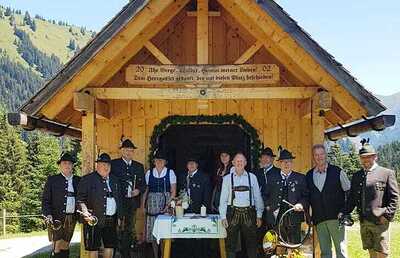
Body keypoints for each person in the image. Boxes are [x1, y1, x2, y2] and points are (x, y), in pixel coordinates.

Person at [345, 139, 399, 258]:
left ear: (375, 157)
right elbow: (352, 198)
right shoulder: (357, 176)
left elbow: (394, 197)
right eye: (363, 157)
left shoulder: (387, 173)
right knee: (371, 252)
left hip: (380, 220)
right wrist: (344, 212)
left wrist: (387, 216)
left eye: (368, 157)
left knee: (382, 253)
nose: (365, 160)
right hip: (364, 221)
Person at [306, 144, 350, 258]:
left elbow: (350, 193)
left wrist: (344, 211)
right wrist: (309, 216)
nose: (319, 157)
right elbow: (308, 198)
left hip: (336, 218)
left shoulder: (338, 172)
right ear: (313, 157)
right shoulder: (309, 175)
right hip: (319, 219)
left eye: (321, 154)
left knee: (341, 251)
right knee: (325, 252)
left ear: (325, 155)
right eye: (316, 155)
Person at [77, 153, 123, 258]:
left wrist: (120, 216)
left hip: (112, 219)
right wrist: (85, 212)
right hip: (93, 219)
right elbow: (80, 200)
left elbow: (119, 199)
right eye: (103, 164)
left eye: (108, 165)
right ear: (97, 166)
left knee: (110, 246)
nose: (106, 167)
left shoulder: (115, 180)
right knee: (93, 247)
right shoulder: (87, 179)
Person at [219, 153, 264, 258]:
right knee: (230, 244)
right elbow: (223, 200)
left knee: (252, 244)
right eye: (237, 161)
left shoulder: (252, 178)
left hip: (249, 213)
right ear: (233, 163)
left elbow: (258, 197)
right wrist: (223, 217)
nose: (239, 163)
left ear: (245, 163)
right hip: (232, 213)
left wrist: (259, 215)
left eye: (241, 161)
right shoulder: (226, 179)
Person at [263, 147, 308, 250]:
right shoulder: (272, 178)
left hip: (294, 218)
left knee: (294, 248)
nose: (286, 164)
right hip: (276, 219)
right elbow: (265, 195)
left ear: (292, 163)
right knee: (277, 248)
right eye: (284, 162)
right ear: (279, 163)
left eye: (289, 162)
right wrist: (268, 207)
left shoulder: (300, 178)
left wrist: (301, 204)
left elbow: (306, 196)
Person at [111, 139, 145, 257]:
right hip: (117, 202)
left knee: (129, 228)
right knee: (115, 226)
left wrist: (138, 190)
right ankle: (114, 251)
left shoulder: (139, 166)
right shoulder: (114, 164)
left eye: (131, 151)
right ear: (122, 151)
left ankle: (126, 253)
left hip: (132, 202)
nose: (128, 153)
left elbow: (144, 185)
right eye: (126, 150)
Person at [42, 153, 80, 258]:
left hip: (71, 217)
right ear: (60, 165)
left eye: (69, 163)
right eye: (64, 163)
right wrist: (48, 214)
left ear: (73, 166)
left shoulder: (78, 180)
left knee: (66, 244)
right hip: (56, 217)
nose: (67, 165)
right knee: (57, 244)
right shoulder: (52, 180)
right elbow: (45, 200)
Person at [144, 151, 177, 258]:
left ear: (165, 162)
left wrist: (168, 205)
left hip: (165, 202)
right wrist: (143, 205)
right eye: (157, 160)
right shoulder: (149, 173)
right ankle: (155, 255)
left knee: (164, 231)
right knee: (153, 231)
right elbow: (146, 190)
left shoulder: (170, 173)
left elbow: (173, 191)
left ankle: (164, 255)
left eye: (161, 160)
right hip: (152, 203)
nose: (159, 162)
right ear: (154, 162)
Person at [179, 157, 212, 258]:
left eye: (194, 163)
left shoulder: (204, 177)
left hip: (199, 212)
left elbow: (207, 197)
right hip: (185, 212)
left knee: (200, 237)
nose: (191, 165)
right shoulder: (183, 176)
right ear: (187, 165)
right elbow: (180, 193)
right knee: (187, 236)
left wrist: (204, 211)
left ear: (197, 165)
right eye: (189, 163)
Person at [254, 147, 280, 258]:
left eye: (268, 158)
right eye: (263, 157)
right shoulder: (256, 173)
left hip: (272, 210)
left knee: (271, 236)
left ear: (272, 160)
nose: (265, 160)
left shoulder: (278, 173)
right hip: (259, 211)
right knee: (259, 236)